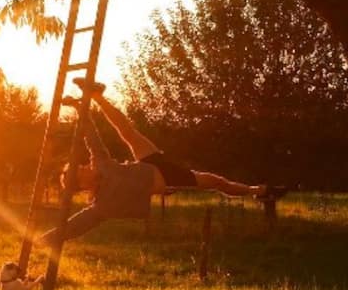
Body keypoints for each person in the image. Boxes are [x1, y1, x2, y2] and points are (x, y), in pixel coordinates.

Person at [37, 78, 287, 246]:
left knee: (127, 132)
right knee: (216, 182)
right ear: (81, 182)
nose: (83, 166)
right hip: (167, 179)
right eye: (80, 170)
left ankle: (97, 96)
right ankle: (259, 191)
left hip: (151, 162)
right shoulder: (101, 205)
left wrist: (79, 109)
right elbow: (75, 226)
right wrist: (42, 240)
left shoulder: (100, 164)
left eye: (80, 166)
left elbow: (92, 136)